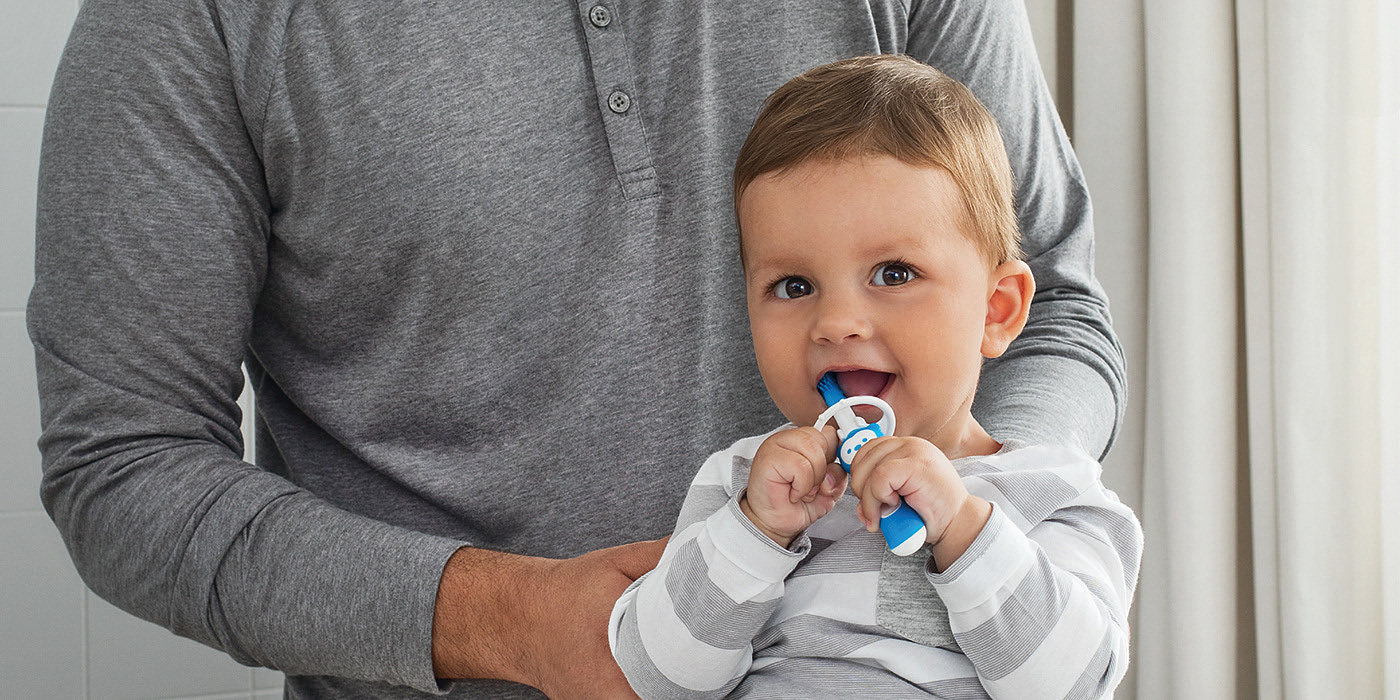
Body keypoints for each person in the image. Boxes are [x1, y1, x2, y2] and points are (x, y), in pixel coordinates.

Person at [29, 1, 1125, 697]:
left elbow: (1053, 309)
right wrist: (505, 620)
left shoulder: (1021, 516)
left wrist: (976, 521)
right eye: (794, 286)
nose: (838, 320)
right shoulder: (187, 22)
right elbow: (123, 467)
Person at [608, 55, 1142, 698]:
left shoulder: (1052, 493)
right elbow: (658, 676)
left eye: (893, 273)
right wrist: (754, 533)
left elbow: (1078, 682)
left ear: (995, 310)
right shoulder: (743, 485)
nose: (836, 323)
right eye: (793, 285)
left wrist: (962, 528)